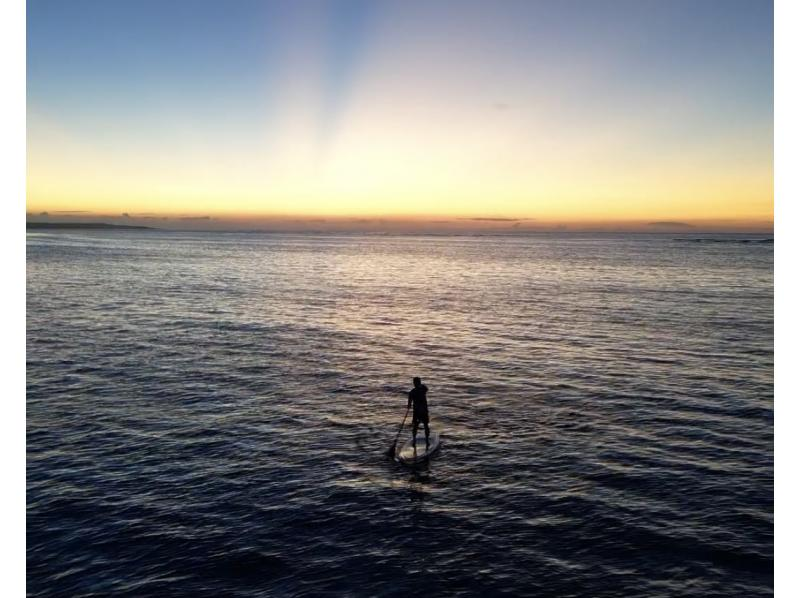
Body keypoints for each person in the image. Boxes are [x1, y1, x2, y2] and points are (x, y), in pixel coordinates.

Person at [407, 377, 430, 450]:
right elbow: (426, 388)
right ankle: (425, 441)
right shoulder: (422, 389)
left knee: (417, 426)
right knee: (422, 425)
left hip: (419, 411)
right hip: (421, 411)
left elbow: (409, 405)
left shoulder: (412, 392)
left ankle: (415, 441)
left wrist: (409, 406)